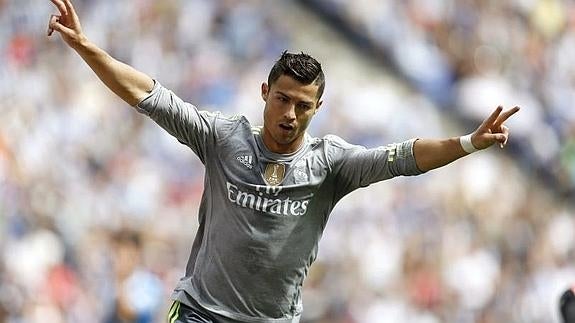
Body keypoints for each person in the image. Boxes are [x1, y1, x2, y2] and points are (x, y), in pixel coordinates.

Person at [47, 0, 520, 322]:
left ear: (318, 109)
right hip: (200, 313)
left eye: (302, 105)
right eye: (282, 99)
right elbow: (149, 95)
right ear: (265, 93)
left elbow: (403, 157)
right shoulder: (223, 138)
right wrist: (86, 46)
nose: (289, 114)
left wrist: (468, 141)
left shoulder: (331, 163)